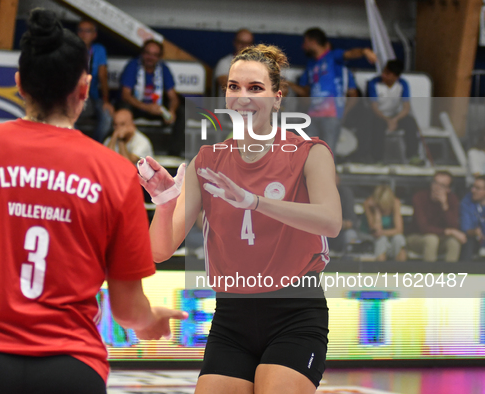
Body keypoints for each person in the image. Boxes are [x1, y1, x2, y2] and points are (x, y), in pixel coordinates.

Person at [0, 9, 186, 394]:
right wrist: (150, 322)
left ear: (19, 84)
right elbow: (127, 309)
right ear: (84, 88)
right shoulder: (113, 170)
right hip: (69, 366)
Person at [139, 44, 341, 394]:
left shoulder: (310, 153)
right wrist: (164, 200)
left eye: (255, 88)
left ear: (277, 99)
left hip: (295, 312)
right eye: (234, 87)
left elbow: (330, 221)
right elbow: (159, 251)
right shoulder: (207, 160)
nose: (242, 97)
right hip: (232, 316)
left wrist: (254, 201)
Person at [288, 28, 376, 153]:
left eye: (305, 42)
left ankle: (330, 172)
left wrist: (365, 51)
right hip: (312, 116)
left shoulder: (333, 57)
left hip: (331, 115)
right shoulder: (311, 65)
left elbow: (350, 54)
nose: (303, 46)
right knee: (308, 155)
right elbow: (304, 93)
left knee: (327, 156)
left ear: (312, 42)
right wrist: (287, 83)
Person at [120, 39, 183, 156]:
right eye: (148, 53)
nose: (150, 57)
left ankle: (174, 155)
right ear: (142, 53)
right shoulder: (133, 65)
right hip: (138, 107)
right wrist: (146, 107)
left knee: (181, 111)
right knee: (124, 109)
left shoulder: (163, 68)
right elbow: (126, 94)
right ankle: (123, 151)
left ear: (159, 57)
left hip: (157, 109)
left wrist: (172, 111)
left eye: (155, 55)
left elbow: (173, 97)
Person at [365, 59, 421, 164]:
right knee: (377, 126)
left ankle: (413, 156)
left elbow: (406, 107)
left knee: (410, 122)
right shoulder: (373, 83)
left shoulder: (403, 84)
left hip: (395, 116)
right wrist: (387, 120)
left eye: (388, 74)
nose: (384, 75)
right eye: (384, 72)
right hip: (379, 116)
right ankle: (377, 159)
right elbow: (374, 107)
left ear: (396, 77)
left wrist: (394, 120)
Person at [406, 171, 466, 262]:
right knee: (431, 239)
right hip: (417, 237)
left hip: (441, 237)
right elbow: (424, 228)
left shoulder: (452, 199)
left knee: (454, 242)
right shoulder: (419, 197)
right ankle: (429, 274)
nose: (437, 187)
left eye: (442, 185)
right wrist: (450, 231)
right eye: (435, 182)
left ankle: (449, 274)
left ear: (448, 189)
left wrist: (444, 205)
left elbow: (454, 225)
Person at [75, 18, 113, 142]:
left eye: (87, 31)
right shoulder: (70, 48)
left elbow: (103, 77)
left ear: (94, 35)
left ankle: (96, 144)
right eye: (80, 30)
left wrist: (106, 100)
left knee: (107, 116)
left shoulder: (99, 50)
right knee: (65, 117)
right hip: (73, 96)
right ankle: (76, 144)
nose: (83, 34)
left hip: (93, 96)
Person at [362, 185, 406, 261]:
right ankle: (380, 270)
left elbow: (399, 230)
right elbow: (375, 230)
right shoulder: (368, 204)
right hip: (369, 237)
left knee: (399, 239)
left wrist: (383, 232)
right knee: (381, 240)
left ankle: (400, 270)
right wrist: (377, 211)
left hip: (390, 236)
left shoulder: (395, 203)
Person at [214, 29, 254, 95]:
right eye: (241, 42)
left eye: (247, 43)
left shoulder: (259, 64)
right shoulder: (224, 63)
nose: (244, 46)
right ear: (235, 42)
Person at [328, 172, 358, 255]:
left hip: (340, 233)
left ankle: (348, 263)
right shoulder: (319, 192)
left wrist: (335, 224)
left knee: (351, 234)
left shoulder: (345, 193)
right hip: (323, 233)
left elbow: (351, 223)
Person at [459, 176, 485, 261]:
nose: (473, 190)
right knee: (468, 242)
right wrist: (475, 232)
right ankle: (464, 271)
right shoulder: (466, 202)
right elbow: (465, 228)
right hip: (475, 240)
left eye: (477, 188)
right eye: (473, 187)